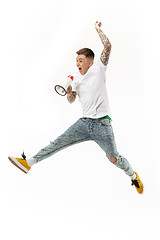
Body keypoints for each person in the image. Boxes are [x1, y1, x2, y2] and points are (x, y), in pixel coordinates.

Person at [8, 21, 143, 194]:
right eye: (76, 60)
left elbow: (108, 45)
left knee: (113, 158)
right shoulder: (76, 80)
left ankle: (132, 176)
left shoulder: (99, 69)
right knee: (57, 143)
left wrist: (98, 29)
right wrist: (69, 93)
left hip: (103, 125)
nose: (77, 63)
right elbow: (72, 100)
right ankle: (29, 163)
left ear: (90, 62)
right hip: (84, 123)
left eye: (80, 60)